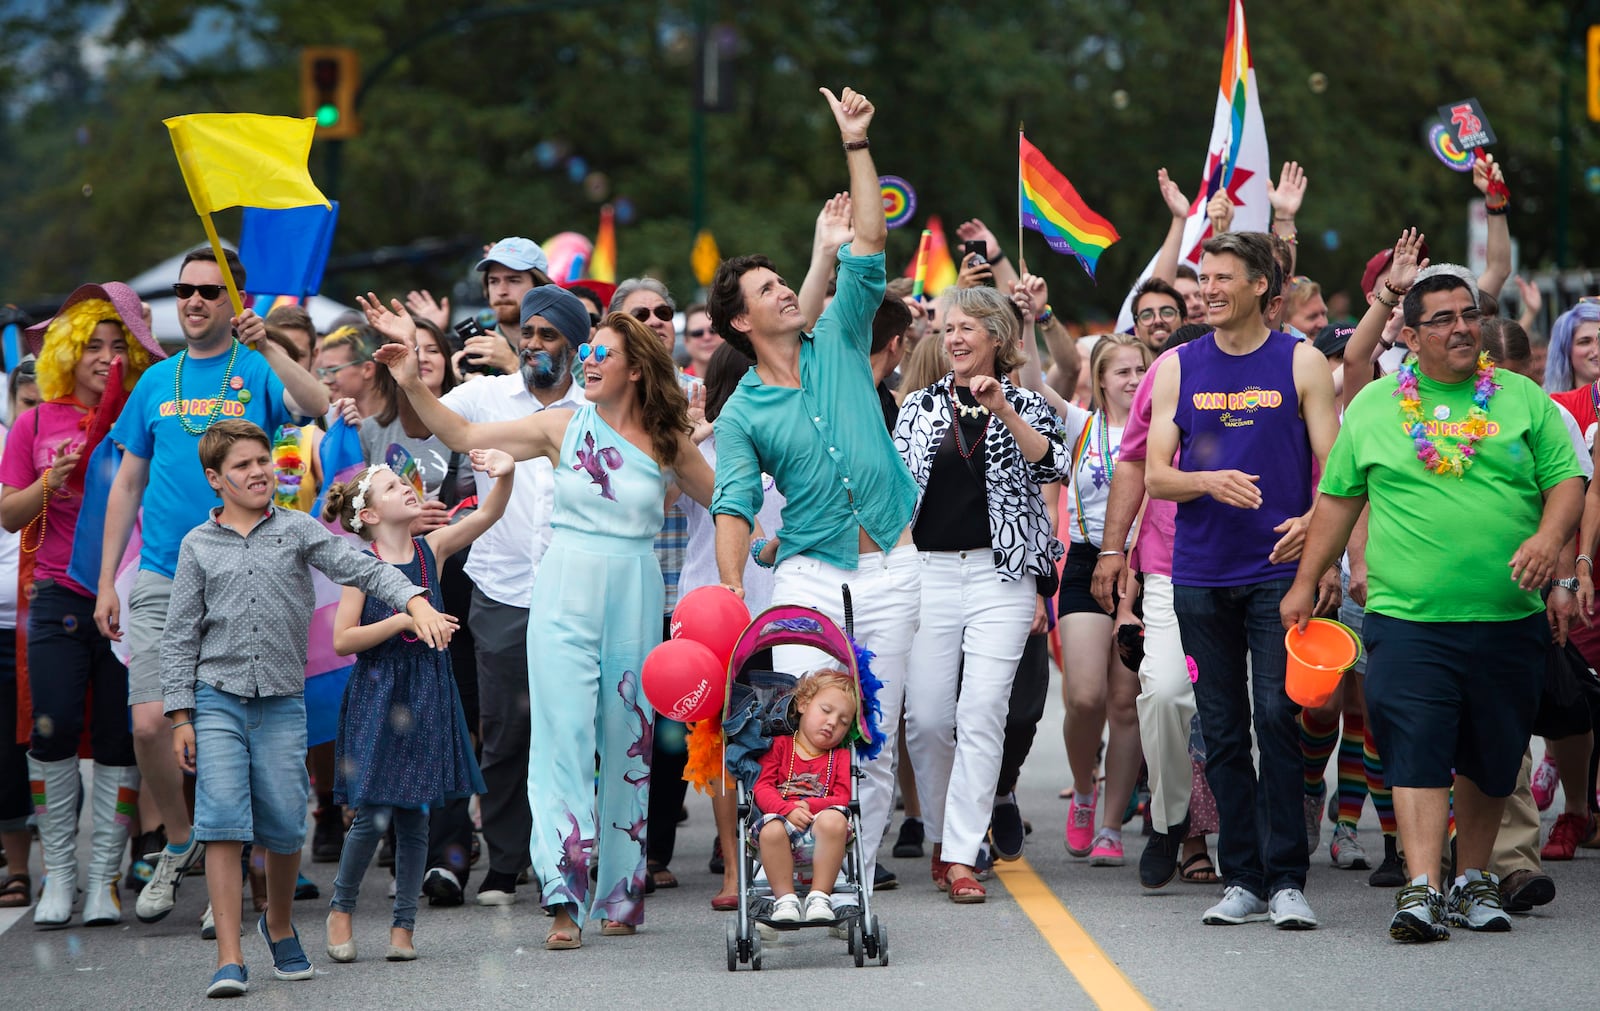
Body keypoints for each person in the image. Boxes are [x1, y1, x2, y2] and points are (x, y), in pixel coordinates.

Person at [370, 304, 715, 949]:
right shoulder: (560, 425)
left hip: (636, 593)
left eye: (602, 354)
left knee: (628, 740)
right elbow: (466, 435)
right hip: (563, 590)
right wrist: (412, 380)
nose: (587, 360)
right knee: (560, 737)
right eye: (589, 351)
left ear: (636, 370)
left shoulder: (669, 439)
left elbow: (724, 498)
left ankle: (620, 891)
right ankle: (562, 895)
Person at [1280, 272, 1583, 942]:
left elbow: (1567, 479)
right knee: (1414, 743)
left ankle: (1472, 877)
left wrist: (1547, 539)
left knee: (1491, 754)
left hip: (1506, 615)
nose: (1461, 328)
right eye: (1442, 318)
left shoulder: (1522, 400)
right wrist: (1306, 582)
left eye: (1468, 314)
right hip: (1407, 615)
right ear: (1410, 336)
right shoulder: (1376, 406)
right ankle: (1421, 886)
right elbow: (1337, 500)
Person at [709, 86, 920, 894]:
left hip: (894, 567)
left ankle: (843, 885)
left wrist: (857, 143)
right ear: (739, 324)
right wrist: (732, 589)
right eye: (767, 292)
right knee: (807, 722)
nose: (786, 293)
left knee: (867, 732)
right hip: (804, 576)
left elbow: (869, 237)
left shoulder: (839, 331)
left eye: (782, 282)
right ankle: (782, 870)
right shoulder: (742, 411)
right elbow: (732, 501)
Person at [160, 419, 452, 997]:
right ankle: (229, 956)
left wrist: (413, 599)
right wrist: (179, 716)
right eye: (242, 465)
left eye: (263, 459)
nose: (259, 471)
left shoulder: (297, 530)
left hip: (281, 701)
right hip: (215, 699)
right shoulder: (197, 545)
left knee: (286, 824)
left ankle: (280, 926)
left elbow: (364, 568)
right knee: (221, 823)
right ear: (216, 480)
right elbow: (178, 636)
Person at [94, 248, 328, 927]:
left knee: (237, 729)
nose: (193, 301)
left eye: (207, 291)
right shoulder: (156, 381)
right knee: (148, 723)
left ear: (232, 300)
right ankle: (179, 840)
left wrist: (276, 349)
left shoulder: (255, 367)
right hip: (165, 573)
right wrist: (109, 580)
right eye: (184, 291)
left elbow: (316, 407)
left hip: (246, 572)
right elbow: (129, 483)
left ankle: (231, 866)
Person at [1145, 231, 1340, 929]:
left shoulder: (1302, 361)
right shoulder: (1176, 365)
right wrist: (1206, 480)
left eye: (1224, 276)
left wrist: (1315, 527)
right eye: (1205, 278)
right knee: (1222, 730)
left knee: (1277, 719)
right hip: (1198, 576)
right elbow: (1156, 472)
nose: (1209, 289)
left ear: (1262, 284)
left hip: (1276, 575)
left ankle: (1288, 877)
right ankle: (1245, 876)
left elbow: (1339, 472)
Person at [384, 284, 588, 907]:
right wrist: (411, 364)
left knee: (575, 730)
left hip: (579, 588)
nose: (533, 344)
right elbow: (427, 422)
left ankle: (571, 855)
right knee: (503, 731)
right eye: (527, 333)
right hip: (501, 590)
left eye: (548, 335)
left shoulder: (597, 402)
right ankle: (504, 862)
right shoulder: (487, 396)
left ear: (576, 346)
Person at [895, 285, 1067, 901]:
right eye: (948, 328)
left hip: (1003, 576)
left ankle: (963, 854)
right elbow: (893, 488)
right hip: (930, 574)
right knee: (930, 719)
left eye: (969, 326)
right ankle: (943, 832)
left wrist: (1005, 413)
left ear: (998, 337)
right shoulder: (914, 407)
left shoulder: (1027, 402)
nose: (956, 337)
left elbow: (1052, 467)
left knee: (982, 711)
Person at [2, 284, 159, 928]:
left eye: (116, 345)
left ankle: (104, 882)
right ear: (69, 352)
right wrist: (49, 481)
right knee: (54, 727)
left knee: (122, 738)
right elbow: (9, 515)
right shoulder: (37, 421)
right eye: (92, 345)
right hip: (57, 596)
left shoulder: (146, 412)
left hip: (126, 594)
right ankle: (60, 879)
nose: (104, 357)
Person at [321, 450, 509, 964]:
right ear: (369, 517)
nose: (405, 487)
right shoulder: (361, 566)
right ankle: (342, 907)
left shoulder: (433, 550)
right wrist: (403, 620)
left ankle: (404, 926)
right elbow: (344, 640)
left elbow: (490, 514)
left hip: (428, 691)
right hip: (380, 694)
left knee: (416, 817)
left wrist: (508, 473)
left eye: (401, 481)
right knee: (375, 812)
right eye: (389, 487)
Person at [1088, 324, 1221, 890]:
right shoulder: (1166, 378)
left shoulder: (1278, 373)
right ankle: (1172, 824)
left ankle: (1247, 840)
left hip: (1256, 568)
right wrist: (1115, 553)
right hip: (1170, 565)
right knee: (1164, 694)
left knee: (1246, 712)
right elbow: (1135, 466)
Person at [678, 341, 785, 909]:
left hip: (782, 611)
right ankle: (733, 867)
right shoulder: (708, 446)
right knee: (718, 743)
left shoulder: (793, 439)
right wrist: (695, 435)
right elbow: (664, 495)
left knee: (777, 738)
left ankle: (776, 856)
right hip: (712, 610)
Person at [1056, 334, 1153, 867]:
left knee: (1124, 703)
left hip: (1145, 568)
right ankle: (1083, 790)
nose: (1134, 380)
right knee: (1085, 697)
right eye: (1122, 372)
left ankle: (1111, 826)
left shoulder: (1163, 426)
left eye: (1141, 369)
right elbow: (1029, 381)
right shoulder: (1081, 423)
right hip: (1087, 563)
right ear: (1100, 379)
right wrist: (1033, 316)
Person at [753, 667, 858, 924]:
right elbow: (762, 788)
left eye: (843, 722)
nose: (833, 722)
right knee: (771, 830)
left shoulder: (840, 757)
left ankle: (820, 896)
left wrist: (809, 804)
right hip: (782, 823)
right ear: (803, 705)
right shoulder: (779, 746)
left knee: (835, 819)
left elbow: (843, 797)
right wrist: (785, 809)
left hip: (822, 830)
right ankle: (784, 899)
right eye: (826, 711)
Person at [0, 363, 37, 912]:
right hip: (5, 622)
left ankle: (28, 865)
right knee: (5, 755)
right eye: (23, 402)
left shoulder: (71, 447)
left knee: (43, 745)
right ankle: (17, 867)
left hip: (43, 614)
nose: (33, 413)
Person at [681, 302, 722, 378]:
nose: (707, 337)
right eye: (697, 333)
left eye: (713, 330)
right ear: (686, 341)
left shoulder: (746, 377)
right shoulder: (677, 385)